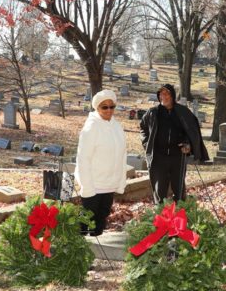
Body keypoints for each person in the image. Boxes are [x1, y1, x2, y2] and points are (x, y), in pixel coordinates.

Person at [140, 84, 209, 204]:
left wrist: (188, 144)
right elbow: (143, 128)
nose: (163, 96)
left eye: (166, 94)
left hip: (177, 156)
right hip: (158, 157)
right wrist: (147, 144)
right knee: (159, 189)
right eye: (161, 94)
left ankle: (180, 214)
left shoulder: (182, 112)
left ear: (172, 96)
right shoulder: (153, 112)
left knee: (179, 188)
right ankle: (160, 214)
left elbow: (191, 131)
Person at [74, 90, 127, 236]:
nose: (109, 110)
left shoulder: (117, 126)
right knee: (84, 223)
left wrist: (120, 180)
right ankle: (79, 250)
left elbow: (123, 155)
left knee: (100, 223)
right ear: (97, 108)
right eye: (105, 107)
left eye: (112, 106)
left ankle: (96, 253)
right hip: (93, 184)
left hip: (109, 184)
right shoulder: (91, 128)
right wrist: (87, 185)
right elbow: (83, 158)